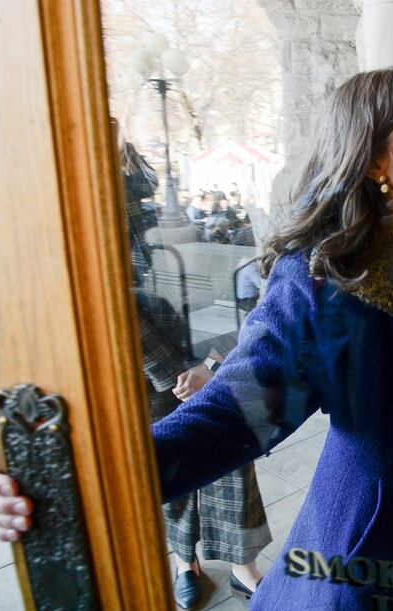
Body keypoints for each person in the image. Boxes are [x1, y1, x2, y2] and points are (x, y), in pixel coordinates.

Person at [0, 66, 393, 610]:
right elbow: (232, 416)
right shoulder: (323, 278)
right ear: (374, 160)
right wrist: (74, 480)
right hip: (378, 540)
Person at [122, 138, 272, 608]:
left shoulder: (147, 190)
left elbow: (224, 278)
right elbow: (119, 305)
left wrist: (213, 359)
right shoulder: (99, 209)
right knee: (170, 458)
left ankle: (241, 566)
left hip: (203, 343)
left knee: (230, 451)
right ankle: (183, 560)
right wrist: (173, 371)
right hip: (149, 369)